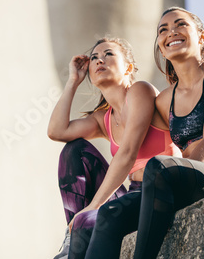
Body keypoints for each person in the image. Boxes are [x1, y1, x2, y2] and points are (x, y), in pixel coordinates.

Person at [85, 7, 204, 259]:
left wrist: (172, 177)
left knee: (159, 167)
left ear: (201, 36)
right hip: (179, 180)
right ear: (162, 48)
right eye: (163, 30)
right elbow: (130, 135)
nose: (171, 32)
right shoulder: (163, 100)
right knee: (109, 214)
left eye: (180, 25)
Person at [48, 37, 181, 259]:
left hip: (159, 190)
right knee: (74, 149)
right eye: (94, 58)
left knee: (89, 217)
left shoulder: (140, 91)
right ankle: (72, 238)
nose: (100, 60)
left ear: (128, 67)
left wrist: (95, 205)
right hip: (131, 193)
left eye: (108, 54)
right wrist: (73, 81)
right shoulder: (104, 119)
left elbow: (128, 153)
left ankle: (82, 225)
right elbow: (57, 132)